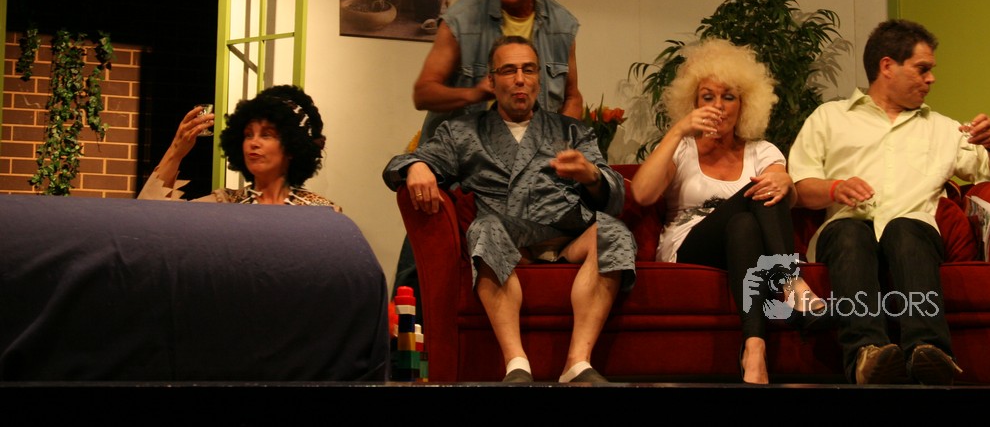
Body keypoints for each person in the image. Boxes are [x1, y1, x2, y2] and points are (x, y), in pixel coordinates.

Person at [383, 36, 635, 383]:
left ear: (538, 80)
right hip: (508, 241)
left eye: (528, 70)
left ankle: (578, 363)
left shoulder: (571, 130)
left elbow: (616, 196)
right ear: (491, 81)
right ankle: (516, 363)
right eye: (509, 70)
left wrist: (591, 175)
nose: (520, 79)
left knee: (614, 233)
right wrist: (416, 166)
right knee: (484, 229)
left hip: (569, 237)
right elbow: (400, 162)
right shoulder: (464, 132)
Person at [789, 18, 990, 385]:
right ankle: (867, 355)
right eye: (922, 69)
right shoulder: (829, 118)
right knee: (851, 231)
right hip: (845, 231)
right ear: (887, 66)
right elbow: (799, 188)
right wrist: (834, 189)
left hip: (914, 235)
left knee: (906, 228)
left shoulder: (943, 128)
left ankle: (930, 352)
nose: (932, 79)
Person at [396, 0, 584, 312]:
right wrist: (476, 92)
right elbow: (423, 91)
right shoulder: (464, 17)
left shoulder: (561, 25)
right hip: (460, 162)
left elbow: (572, 96)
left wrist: (567, 144)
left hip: (529, 162)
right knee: (423, 250)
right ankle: (407, 338)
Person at [630, 38, 825, 384]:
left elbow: (784, 190)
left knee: (745, 223)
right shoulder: (682, 149)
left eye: (729, 97)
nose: (718, 106)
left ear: (745, 104)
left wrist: (785, 182)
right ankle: (790, 282)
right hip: (691, 246)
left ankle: (754, 351)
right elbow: (642, 193)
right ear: (693, 103)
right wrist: (678, 130)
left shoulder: (761, 151)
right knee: (757, 191)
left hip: (743, 248)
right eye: (708, 97)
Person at [138, 84, 340, 210]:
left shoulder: (320, 213)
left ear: (292, 146)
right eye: (248, 134)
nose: (253, 142)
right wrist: (175, 151)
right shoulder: (224, 205)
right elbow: (148, 223)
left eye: (266, 135)